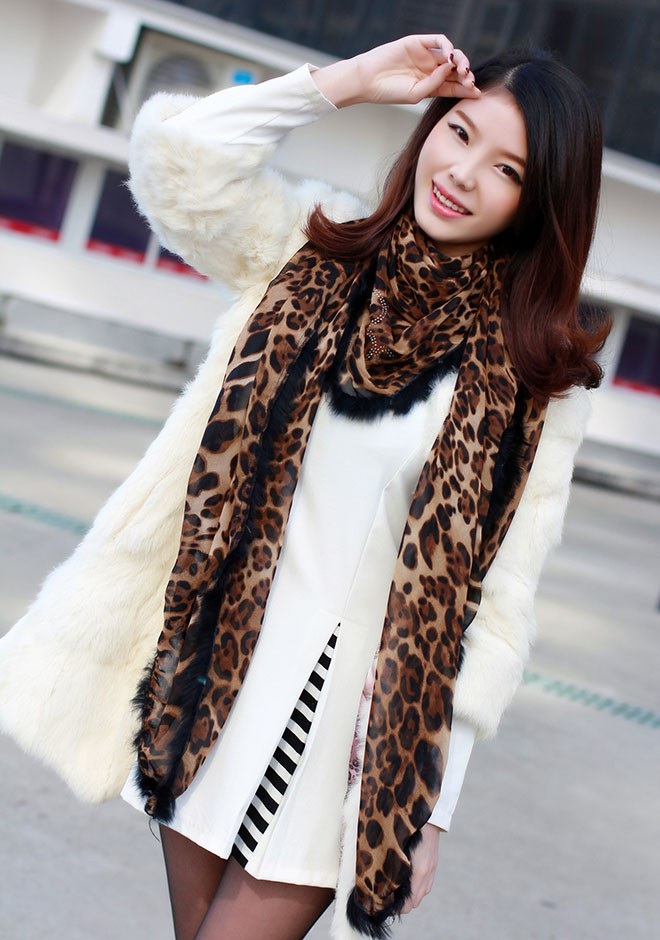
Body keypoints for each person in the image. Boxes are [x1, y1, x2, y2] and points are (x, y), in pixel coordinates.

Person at [0, 33, 609, 940]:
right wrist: (347, 83)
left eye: (508, 169)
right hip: (210, 681)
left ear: (540, 203)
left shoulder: (534, 380)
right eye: (459, 132)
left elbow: (492, 609)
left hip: (350, 744)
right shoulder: (311, 249)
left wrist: (432, 805)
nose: (463, 173)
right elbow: (179, 160)